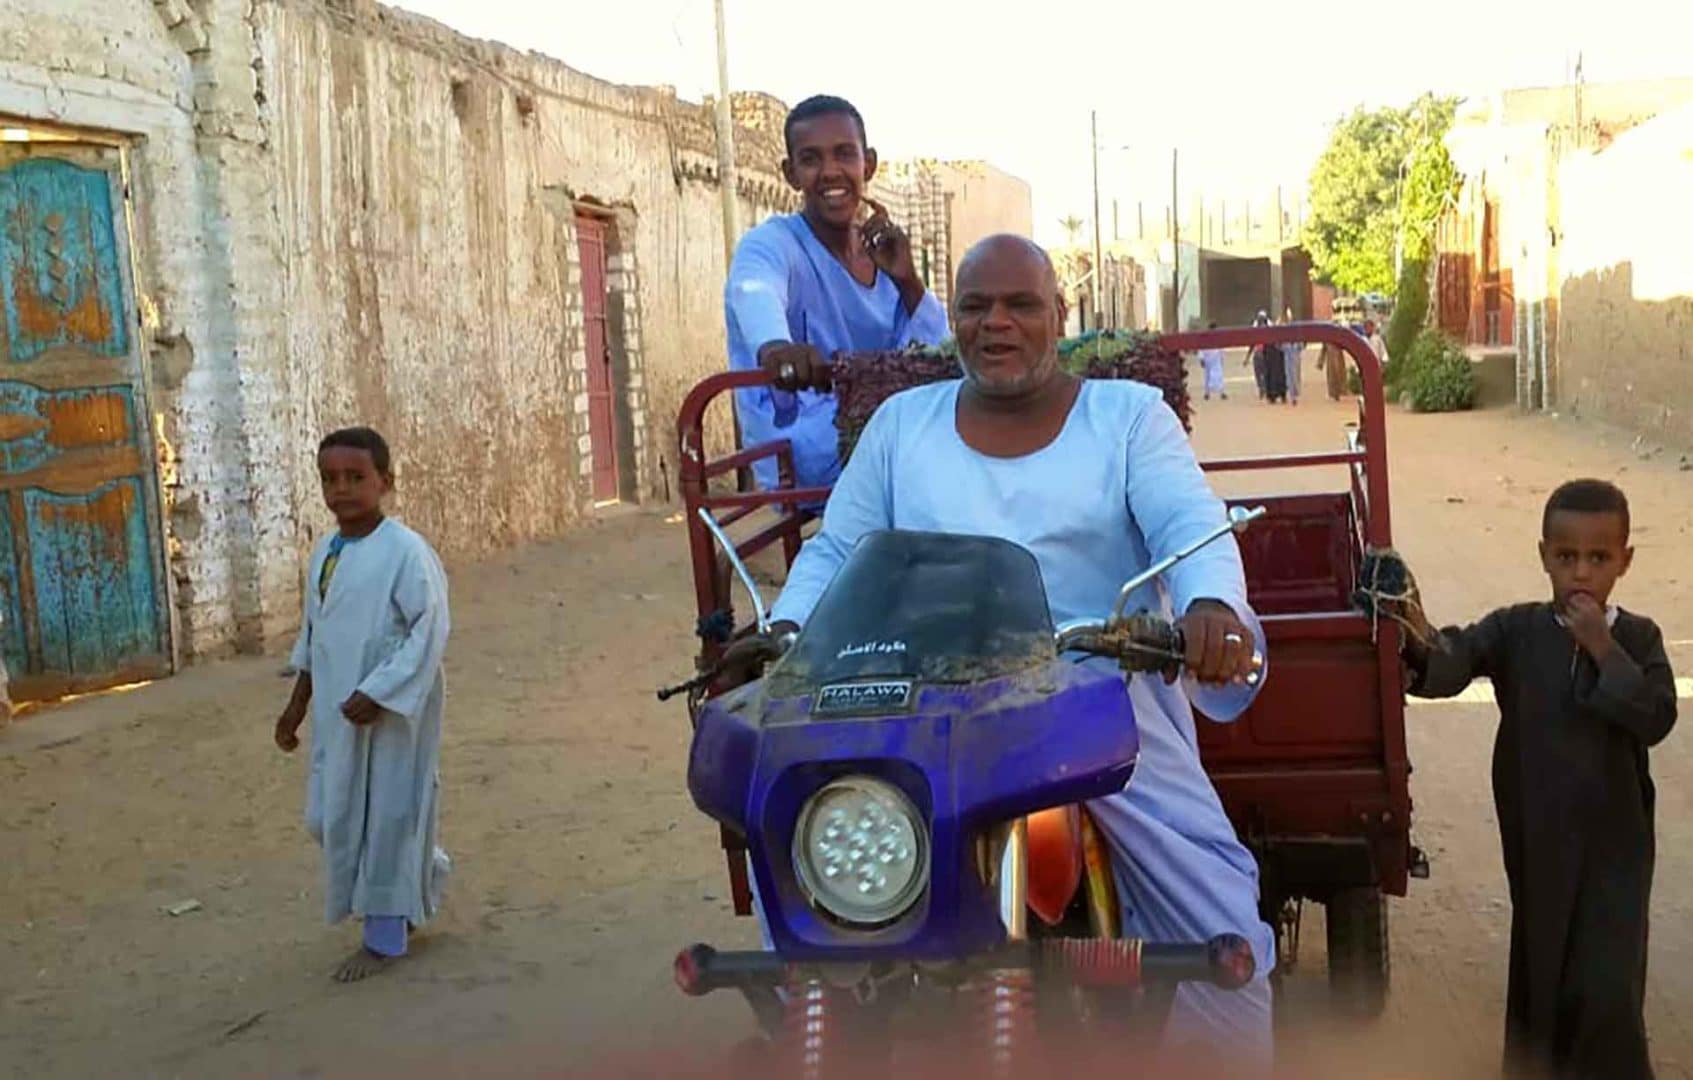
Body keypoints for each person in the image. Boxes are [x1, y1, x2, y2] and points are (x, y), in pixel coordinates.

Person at [761, 234, 1276, 1062]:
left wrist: (1210, 605)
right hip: (921, 703)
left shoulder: (1125, 417)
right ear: (952, 320)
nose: (995, 323)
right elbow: (836, 550)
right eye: (974, 306)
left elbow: (1189, 522)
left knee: (1220, 925)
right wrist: (787, 632)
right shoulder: (902, 426)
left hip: (1098, 696)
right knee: (800, 862)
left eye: (1020, 305)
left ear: (1058, 318)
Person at [1398, 479, 1675, 1078]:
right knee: (1542, 973)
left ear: (1624, 561)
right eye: (1566, 556)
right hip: (1539, 840)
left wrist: (1603, 648)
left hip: (1615, 847)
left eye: (1599, 559)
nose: (1581, 573)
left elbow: (1655, 716)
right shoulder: (1517, 631)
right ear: (1543, 554)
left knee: (1607, 984)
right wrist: (1415, 630)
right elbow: (1450, 663)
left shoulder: (1639, 638)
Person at [276, 427, 453, 983]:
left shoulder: (406, 552)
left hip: (391, 716)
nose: (342, 490)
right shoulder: (324, 553)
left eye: (356, 478)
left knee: (388, 818)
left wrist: (379, 693)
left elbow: (428, 630)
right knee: (329, 817)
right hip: (337, 714)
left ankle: (384, 938)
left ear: (385, 482)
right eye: (330, 479)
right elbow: (314, 634)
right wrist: (296, 705)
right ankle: (422, 877)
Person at [724, 95, 950, 492]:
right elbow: (754, 292)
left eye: (844, 154)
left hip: (878, 433)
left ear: (869, 164)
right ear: (791, 173)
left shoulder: (882, 259)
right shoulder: (772, 244)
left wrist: (909, 281)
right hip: (802, 446)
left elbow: (938, 355)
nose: (830, 172)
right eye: (811, 159)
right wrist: (776, 348)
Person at [1280, 308, 1303, 406]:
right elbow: (1280, 346)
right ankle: (1292, 396)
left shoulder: (1297, 336)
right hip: (1288, 359)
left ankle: (1296, 393)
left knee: (1296, 376)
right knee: (1290, 377)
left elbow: (1301, 346)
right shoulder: (1284, 335)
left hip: (1296, 358)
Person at [1198, 323, 1227, 401]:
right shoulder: (1205, 338)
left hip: (1216, 358)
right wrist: (1201, 359)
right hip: (1208, 359)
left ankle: (1222, 393)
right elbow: (1201, 348)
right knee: (1207, 376)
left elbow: (1221, 349)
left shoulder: (1218, 337)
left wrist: (1222, 358)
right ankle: (1207, 393)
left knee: (1219, 375)